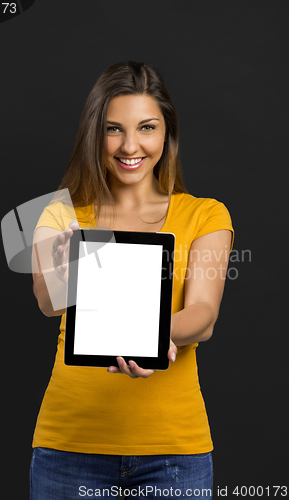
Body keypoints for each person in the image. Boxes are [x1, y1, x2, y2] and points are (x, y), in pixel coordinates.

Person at [30, 61, 234, 500]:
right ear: (95, 134)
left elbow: (203, 316)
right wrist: (64, 274)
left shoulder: (205, 214)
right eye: (113, 129)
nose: (130, 145)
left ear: (167, 133)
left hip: (174, 453)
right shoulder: (60, 214)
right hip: (68, 448)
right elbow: (48, 303)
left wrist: (147, 334)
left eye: (146, 127)